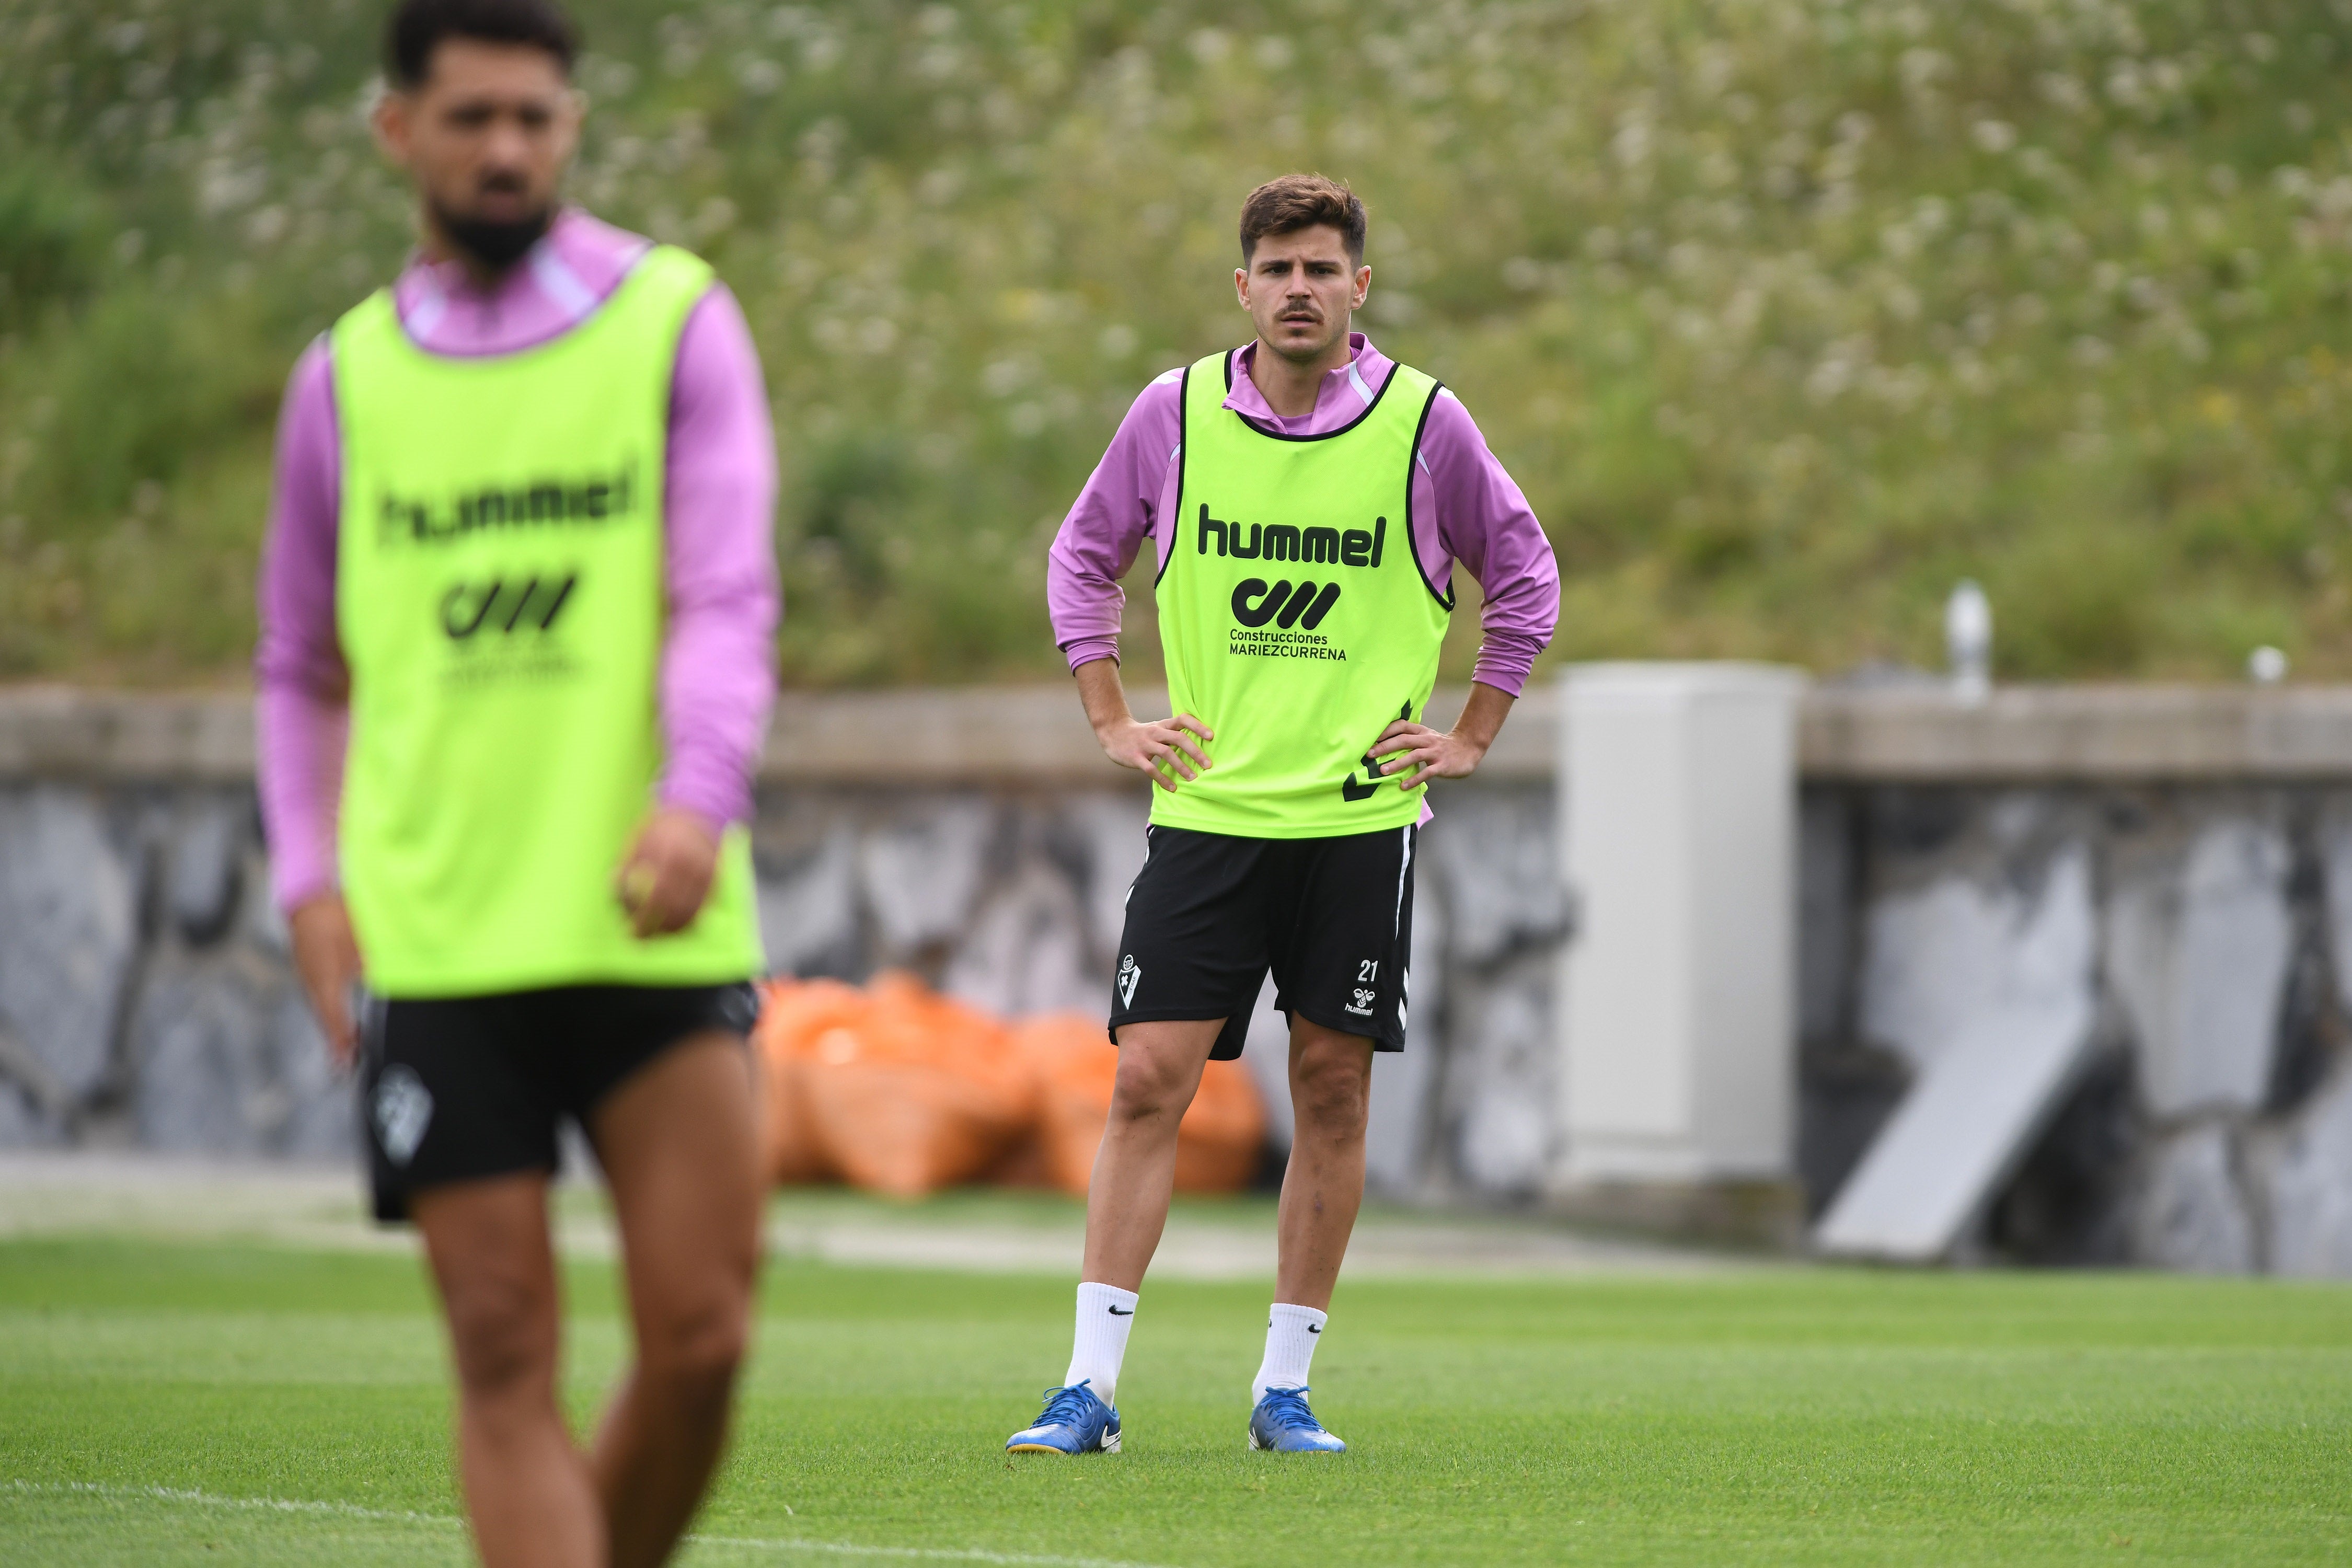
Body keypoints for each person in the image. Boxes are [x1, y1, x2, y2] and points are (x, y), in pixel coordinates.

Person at [254, 2, 778, 1562]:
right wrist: (310, 883)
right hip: (435, 934)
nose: (505, 149)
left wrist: (698, 794)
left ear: (572, 127)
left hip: (646, 910)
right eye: (471, 117)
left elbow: (724, 596)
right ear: (397, 130)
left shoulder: (675, 320)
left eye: (535, 118)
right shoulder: (341, 383)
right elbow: (300, 667)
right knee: (501, 1355)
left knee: (701, 1342)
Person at [1008, 176, 1560, 1456]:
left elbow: (1522, 571)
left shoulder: (1426, 423)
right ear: (1242, 285)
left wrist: (1474, 732)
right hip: (1208, 816)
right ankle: (1088, 1386)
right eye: (1278, 267)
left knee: (1332, 1090)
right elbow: (1084, 555)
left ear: (1360, 287)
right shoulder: (1176, 412)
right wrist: (1108, 716)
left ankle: (1285, 1390)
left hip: (1361, 829)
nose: (1300, 288)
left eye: (1324, 268)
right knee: (1149, 1079)